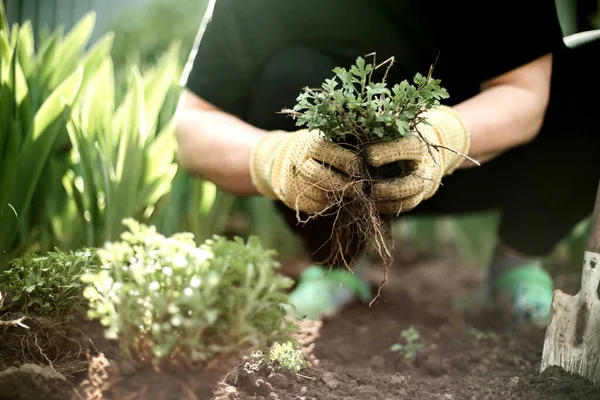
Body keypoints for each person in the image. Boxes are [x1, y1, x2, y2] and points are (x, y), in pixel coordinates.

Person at [174, 0, 600, 326]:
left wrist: (439, 138)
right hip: (331, 182)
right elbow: (192, 128)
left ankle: (517, 264)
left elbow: (524, 93)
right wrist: (277, 160)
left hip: (480, 159)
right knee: (286, 75)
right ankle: (336, 268)